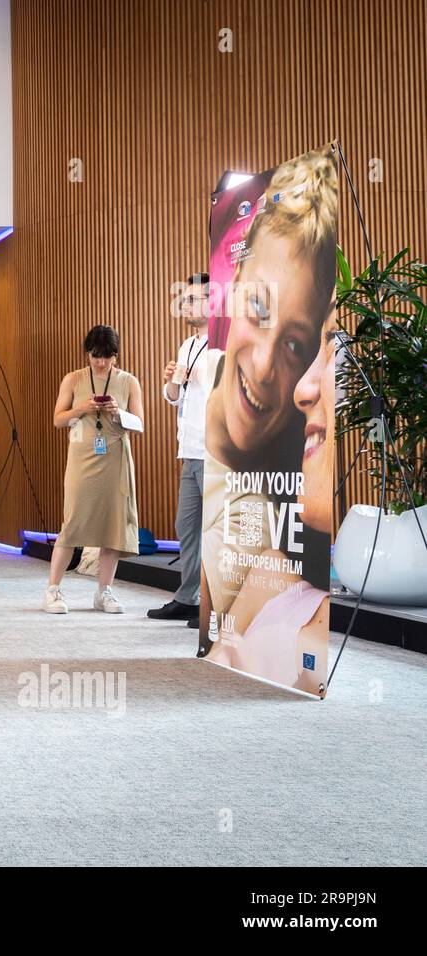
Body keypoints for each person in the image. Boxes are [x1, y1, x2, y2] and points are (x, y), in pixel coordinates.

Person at [200, 151, 336, 624]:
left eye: (295, 346)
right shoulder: (207, 370)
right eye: (259, 310)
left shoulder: (270, 529)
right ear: (234, 280)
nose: (261, 367)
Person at [205, 307, 337, 695]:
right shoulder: (273, 567)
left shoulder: (255, 514)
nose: (301, 388)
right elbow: (212, 663)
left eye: (331, 344)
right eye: (256, 311)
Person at [43, 325, 145, 613]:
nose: (101, 362)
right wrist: (81, 409)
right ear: (87, 354)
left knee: (113, 524)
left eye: (107, 357)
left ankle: (104, 591)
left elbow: (140, 423)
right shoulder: (74, 379)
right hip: (81, 457)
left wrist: (118, 413)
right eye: (95, 356)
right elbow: (58, 419)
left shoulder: (129, 382)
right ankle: (53, 590)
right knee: (72, 522)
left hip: (115, 457)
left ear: (116, 355)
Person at [148, 274, 217, 622]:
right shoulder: (187, 344)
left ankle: (214, 604)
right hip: (188, 449)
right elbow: (175, 398)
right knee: (186, 527)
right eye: (186, 299)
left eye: (193, 299)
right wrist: (172, 381)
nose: (186, 306)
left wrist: (195, 377)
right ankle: (187, 596)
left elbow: (226, 391)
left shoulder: (224, 344)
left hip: (215, 451)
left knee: (214, 531)